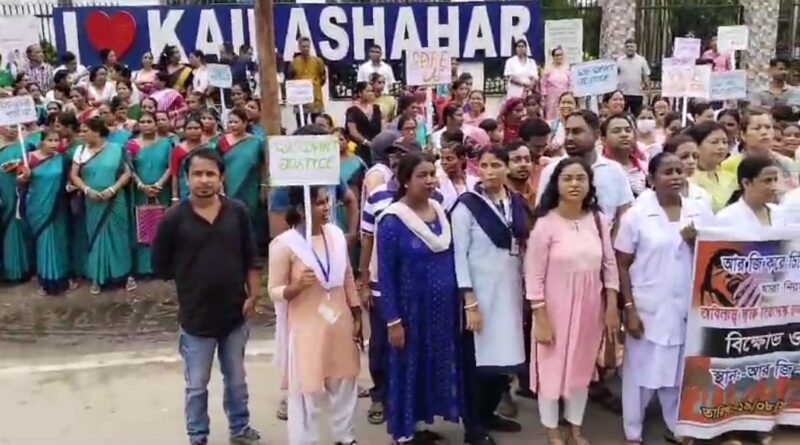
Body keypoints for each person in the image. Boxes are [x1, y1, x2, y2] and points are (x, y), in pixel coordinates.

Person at [151, 148, 262, 445]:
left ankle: (240, 428)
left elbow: (251, 257)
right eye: (197, 174)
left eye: (210, 174)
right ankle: (198, 435)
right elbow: (160, 265)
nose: (204, 180)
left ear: (221, 177)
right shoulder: (173, 218)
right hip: (195, 318)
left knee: (236, 380)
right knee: (197, 385)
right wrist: (192, 278)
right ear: (186, 178)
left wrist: (253, 295)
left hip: (235, 315)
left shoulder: (237, 212)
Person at [616, 152, 714, 445]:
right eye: (667, 172)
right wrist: (629, 309)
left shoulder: (699, 211)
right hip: (647, 306)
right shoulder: (636, 215)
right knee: (639, 371)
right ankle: (633, 430)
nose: (675, 177)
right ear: (651, 178)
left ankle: (676, 425)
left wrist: (697, 242)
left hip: (684, 305)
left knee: (677, 370)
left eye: (679, 171)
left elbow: (714, 257)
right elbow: (622, 264)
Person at [525, 157, 620, 445]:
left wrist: (612, 305)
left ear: (590, 184)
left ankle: (575, 429)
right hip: (553, 310)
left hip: (591, 308)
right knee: (550, 372)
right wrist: (540, 317)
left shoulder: (598, 220)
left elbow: (609, 265)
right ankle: (553, 432)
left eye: (581, 178)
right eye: (567, 178)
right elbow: (533, 276)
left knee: (581, 369)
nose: (575, 184)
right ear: (556, 184)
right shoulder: (545, 225)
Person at [376, 152, 462, 444]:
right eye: (421, 175)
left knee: (430, 365)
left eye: (432, 174)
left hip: (441, 311)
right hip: (410, 313)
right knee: (407, 368)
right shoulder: (392, 220)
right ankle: (402, 434)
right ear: (405, 180)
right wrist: (393, 321)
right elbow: (386, 274)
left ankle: (419, 424)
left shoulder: (440, 211)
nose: (429, 181)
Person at [268, 185, 362, 445]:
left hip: (339, 320)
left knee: (344, 380)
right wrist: (296, 287)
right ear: (302, 209)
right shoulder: (285, 245)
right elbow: (274, 290)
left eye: (327, 201)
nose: (327, 207)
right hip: (307, 326)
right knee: (307, 388)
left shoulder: (336, 235)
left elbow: (347, 277)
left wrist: (356, 312)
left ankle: (344, 436)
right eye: (320, 203)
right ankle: (305, 440)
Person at [452, 146, 527, 445]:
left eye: (496, 165)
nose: (490, 171)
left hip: (510, 293)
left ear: (507, 168)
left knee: (504, 361)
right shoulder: (467, 207)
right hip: (480, 297)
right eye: (484, 165)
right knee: (477, 365)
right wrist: (468, 301)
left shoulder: (516, 202)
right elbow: (458, 255)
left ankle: (488, 413)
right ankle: (473, 428)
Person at [68, 117, 135, 295]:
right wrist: (87, 190)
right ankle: (97, 277)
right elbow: (74, 175)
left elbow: (127, 173)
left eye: (85, 131)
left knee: (119, 236)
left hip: (115, 199)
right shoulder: (80, 151)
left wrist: (113, 189)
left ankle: (124, 276)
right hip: (92, 200)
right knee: (95, 236)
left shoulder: (117, 149)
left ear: (96, 132)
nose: (81, 134)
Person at [536, 110, 634, 228]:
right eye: (567, 132)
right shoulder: (551, 170)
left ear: (596, 135)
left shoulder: (614, 170)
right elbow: (542, 215)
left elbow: (624, 214)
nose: (570, 137)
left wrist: (609, 239)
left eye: (577, 132)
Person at [15, 130, 72, 295]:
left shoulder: (63, 159)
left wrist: (71, 187)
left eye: (56, 140)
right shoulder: (28, 158)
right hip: (37, 207)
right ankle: (45, 280)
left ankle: (61, 277)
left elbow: (70, 179)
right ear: (41, 142)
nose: (54, 144)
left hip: (57, 206)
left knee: (58, 241)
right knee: (43, 241)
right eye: (50, 140)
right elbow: (19, 181)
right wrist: (23, 178)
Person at [127, 112, 173, 276]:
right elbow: (129, 168)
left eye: (149, 121)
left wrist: (158, 184)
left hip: (162, 190)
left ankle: (163, 265)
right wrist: (141, 185)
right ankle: (144, 267)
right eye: (143, 122)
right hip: (140, 191)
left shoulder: (166, 143)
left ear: (155, 124)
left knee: (162, 226)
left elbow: (171, 166)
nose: (146, 125)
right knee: (142, 225)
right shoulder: (132, 144)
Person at [217, 109, 267, 252]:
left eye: (236, 122)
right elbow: (218, 164)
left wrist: (264, 184)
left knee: (251, 215)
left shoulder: (256, 141)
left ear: (245, 123)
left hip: (251, 185)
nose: (232, 125)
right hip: (228, 185)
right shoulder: (222, 142)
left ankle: (252, 248)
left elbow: (263, 164)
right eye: (230, 122)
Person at [721, 111, 799, 197]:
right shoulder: (730, 165)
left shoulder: (786, 162)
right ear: (743, 135)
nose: (764, 132)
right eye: (757, 128)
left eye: (768, 127)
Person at [0, 125, 32, 282]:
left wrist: (22, 169)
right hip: (2, 195)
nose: (10, 129)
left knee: (17, 227)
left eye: (14, 126)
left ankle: (21, 269)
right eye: (6, 126)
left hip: (19, 194)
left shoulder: (26, 146)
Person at [685, 121, 737, 213]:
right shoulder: (688, 179)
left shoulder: (732, 178)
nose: (721, 147)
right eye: (714, 142)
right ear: (696, 146)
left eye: (725, 142)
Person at [656, 134, 712, 208]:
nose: (691, 161)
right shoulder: (652, 196)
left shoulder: (702, 194)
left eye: (695, 157)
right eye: (684, 157)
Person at [601, 113, 647, 197]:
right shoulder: (598, 170)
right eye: (616, 131)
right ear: (603, 139)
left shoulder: (645, 167)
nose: (624, 135)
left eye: (628, 130)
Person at [287, 36, 327, 127]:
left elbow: (323, 77)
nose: (306, 49)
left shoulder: (318, 61)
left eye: (307, 46)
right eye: (303, 46)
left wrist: (315, 86)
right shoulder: (294, 63)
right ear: (299, 48)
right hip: (300, 100)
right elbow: (290, 79)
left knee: (317, 126)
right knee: (301, 126)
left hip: (315, 99)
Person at [346, 81, 383, 165]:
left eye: (372, 91)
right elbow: (353, 131)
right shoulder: (352, 110)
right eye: (368, 91)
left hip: (376, 146)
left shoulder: (377, 108)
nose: (371, 93)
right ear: (360, 93)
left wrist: (379, 141)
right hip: (360, 147)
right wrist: (366, 142)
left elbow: (383, 126)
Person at [172, 115, 207, 201]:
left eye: (196, 128)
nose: (193, 131)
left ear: (202, 130)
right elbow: (174, 175)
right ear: (184, 131)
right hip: (185, 190)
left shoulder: (209, 147)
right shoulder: (178, 150)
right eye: (189, 128)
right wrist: (175, 197)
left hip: (207, 186)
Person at [438, 141, 478, 211]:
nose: (444, 162)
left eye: (449, 159)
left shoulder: (474, 182)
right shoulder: (439, 184)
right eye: (442, 159)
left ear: (462, 159)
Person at [616, 39, 650, 113]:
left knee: (637, 114)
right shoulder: (619, 61)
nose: (629, 48)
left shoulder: (642, 60)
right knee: (622, 114)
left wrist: (647, 89)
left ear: (635, 48)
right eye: (627, 47)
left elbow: (646, 76)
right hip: (623, 93)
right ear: (624, 48)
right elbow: (615, 75)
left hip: (637, 93)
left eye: (631, 46)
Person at [541, 47, 571, 121]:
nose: (559, 57)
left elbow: (570, 83)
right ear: (553, 57)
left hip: (564, 96)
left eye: (561, 55)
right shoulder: (548, 69)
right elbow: (543, 84)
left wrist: (570, 95)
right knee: (551, 116)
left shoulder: (567, 69)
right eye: (557, 55)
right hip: (551, 97)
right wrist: (544, 96)